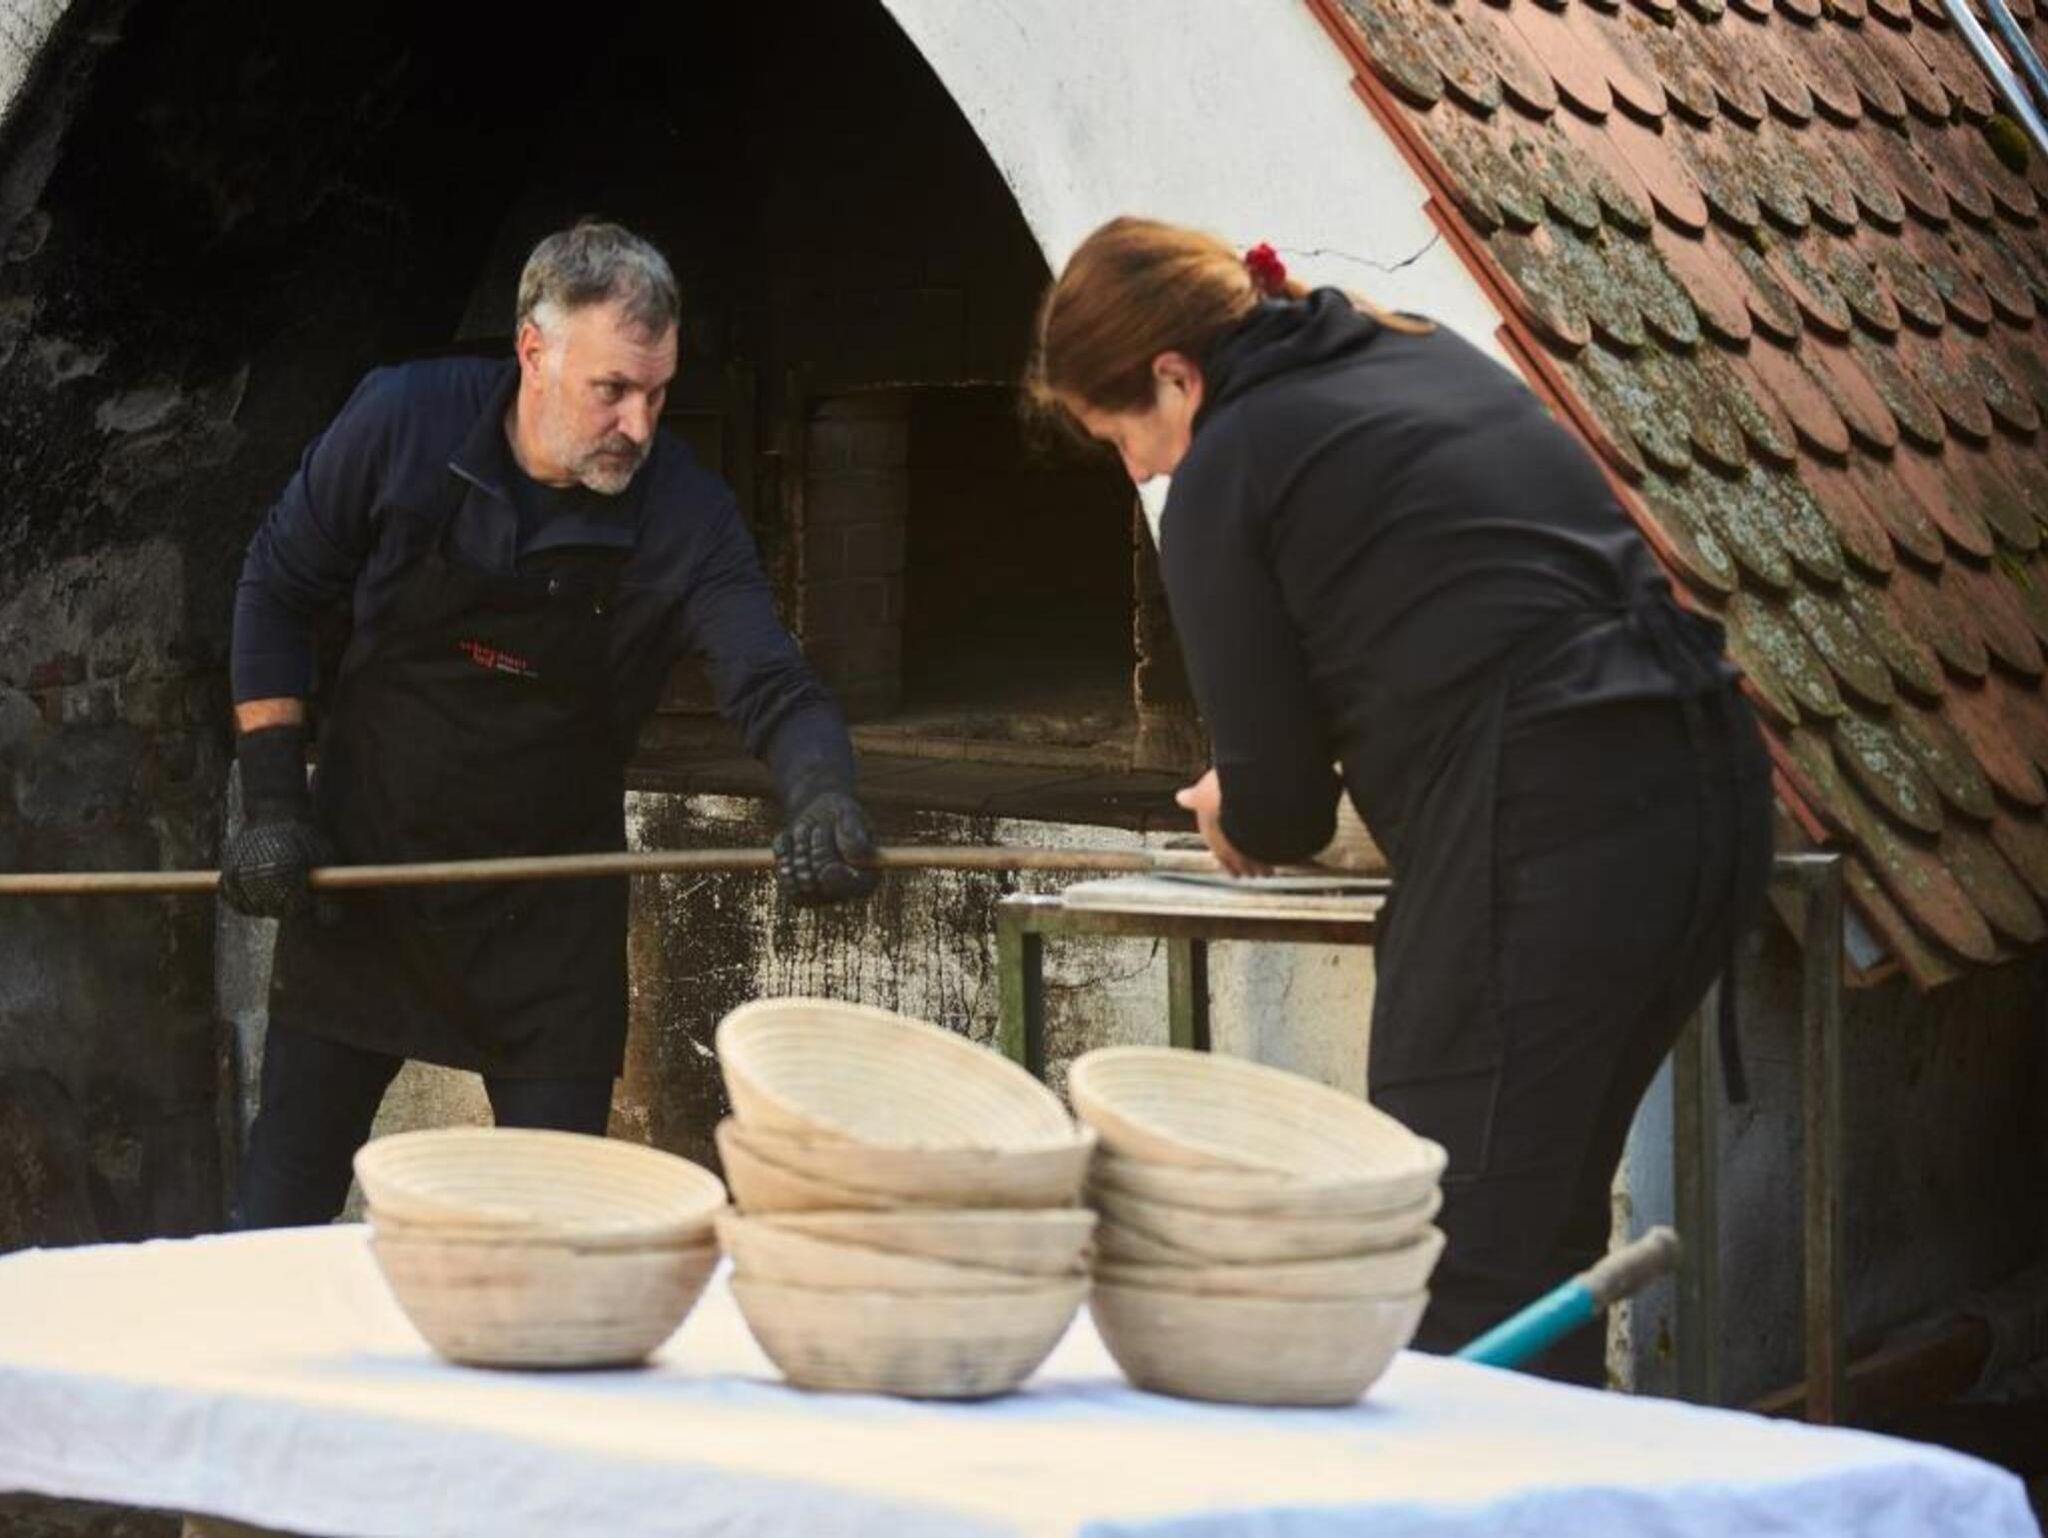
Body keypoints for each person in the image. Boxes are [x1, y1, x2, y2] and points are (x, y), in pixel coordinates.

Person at [1029, 217, 1772, 1383]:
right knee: (1532, 1238)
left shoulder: (1227, 463)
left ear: (1174, 375)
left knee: (1447, 1250)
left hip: (1549, 824)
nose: (1139, 471)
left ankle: (1480, 1479)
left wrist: (1228, 801)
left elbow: (1281, 812)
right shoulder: (1413, 345)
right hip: (1708, 786)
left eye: (1123, 434)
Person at [221, 221, 875, 1228]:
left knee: (560, 1231)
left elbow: (773, 684)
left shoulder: (685, 513)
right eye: (611, 390)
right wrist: (272, 802)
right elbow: (276, 586)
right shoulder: (402, 420)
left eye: (657, 393)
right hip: (364, 876)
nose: (638, 425)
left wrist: (823, 794)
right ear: (533, 350)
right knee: (277, 1210)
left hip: (547, 917)